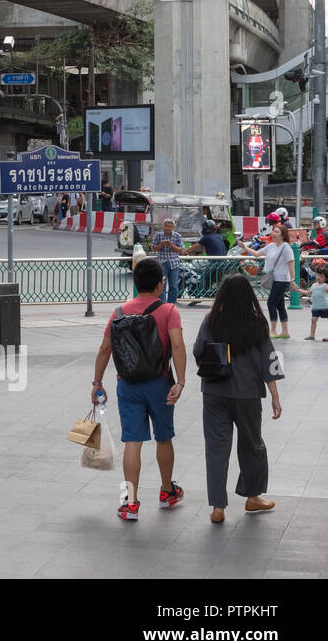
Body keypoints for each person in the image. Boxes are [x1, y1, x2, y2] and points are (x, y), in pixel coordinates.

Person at [91, 256, 187, 521]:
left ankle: (131, 503)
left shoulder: (119, 312)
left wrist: (97, 383)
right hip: (160, 383)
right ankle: (167, 491)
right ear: (159, 285)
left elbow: (104, 349)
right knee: (163, 437)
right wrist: (180, 381)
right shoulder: (168, 310)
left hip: (128, 385)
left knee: (133, 441)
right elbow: (178, 346)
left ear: (135, 283)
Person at [194, 275, 283, 522]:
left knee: (216, 448)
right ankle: (253, 497)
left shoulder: (211, 320)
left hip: (214, 393)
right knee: (253, 444)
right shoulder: (257, 323)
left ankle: (218, 507)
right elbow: (269, 361)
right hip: (248, 395)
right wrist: (275, 397)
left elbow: (197, 351)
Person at [241, 224, 295, 339]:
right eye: (273, 231)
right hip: (273, 279)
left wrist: (292, 281)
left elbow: (291, 266)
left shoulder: (286, 248)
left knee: (271, 303)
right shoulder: (270, 246)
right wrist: (244, 247)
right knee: (279, 305)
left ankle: (273, 330)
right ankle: (285, 332)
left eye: (276, 232)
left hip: (282, 280)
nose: (273, 234)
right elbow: (256, 254)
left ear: (283, 235)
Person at [148, 217, 184, 305]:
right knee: (162, 286)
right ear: (163, 226)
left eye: (170, 226)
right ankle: (162, 304)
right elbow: (154, 248)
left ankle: (172, 304)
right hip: (162, 263)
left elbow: (181, 250)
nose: (167, 228)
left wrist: (171, 245)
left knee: (173, 286)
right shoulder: (159, 235)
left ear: (173, 227)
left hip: (174, 263)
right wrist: (161, 244)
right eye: (166, 226)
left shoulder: (177, 236)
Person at [306, 265, 328, 341]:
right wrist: (298, 290)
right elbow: (307, 292)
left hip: (325, 307)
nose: (319, 277)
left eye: (321, 276)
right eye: (318, 275)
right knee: (313, 320)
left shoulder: (326, 286)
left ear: (326, 278)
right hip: (315, 307)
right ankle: (312, 335)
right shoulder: (313, 285)